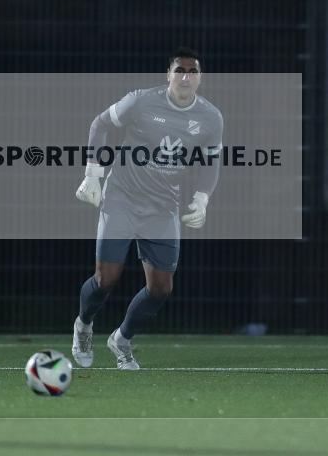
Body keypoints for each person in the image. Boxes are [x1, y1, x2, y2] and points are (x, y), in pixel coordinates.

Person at [71, 47, 223, 370]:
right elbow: (100, 124)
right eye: (179, 70)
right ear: (168, 75)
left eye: (192, 71)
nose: (185, 76)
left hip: (163, 207)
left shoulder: (211, 117)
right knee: (106, 278)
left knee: (161, 288)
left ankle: (121, 340)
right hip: (122, 197)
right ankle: (84, 325)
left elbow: (211, 161)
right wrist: (92, 175)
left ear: (200, 79)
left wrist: (202, 199)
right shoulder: (141, 100)